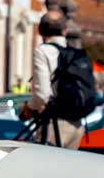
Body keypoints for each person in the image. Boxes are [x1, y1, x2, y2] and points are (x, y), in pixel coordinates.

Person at [27, 15, 90, 148]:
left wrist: (29, 108)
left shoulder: (43, 51)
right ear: (65, 31)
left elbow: (42, 95)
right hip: (77, 125)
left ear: (40, 31)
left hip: (55, 125)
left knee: (46, 167)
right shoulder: (75, 53)